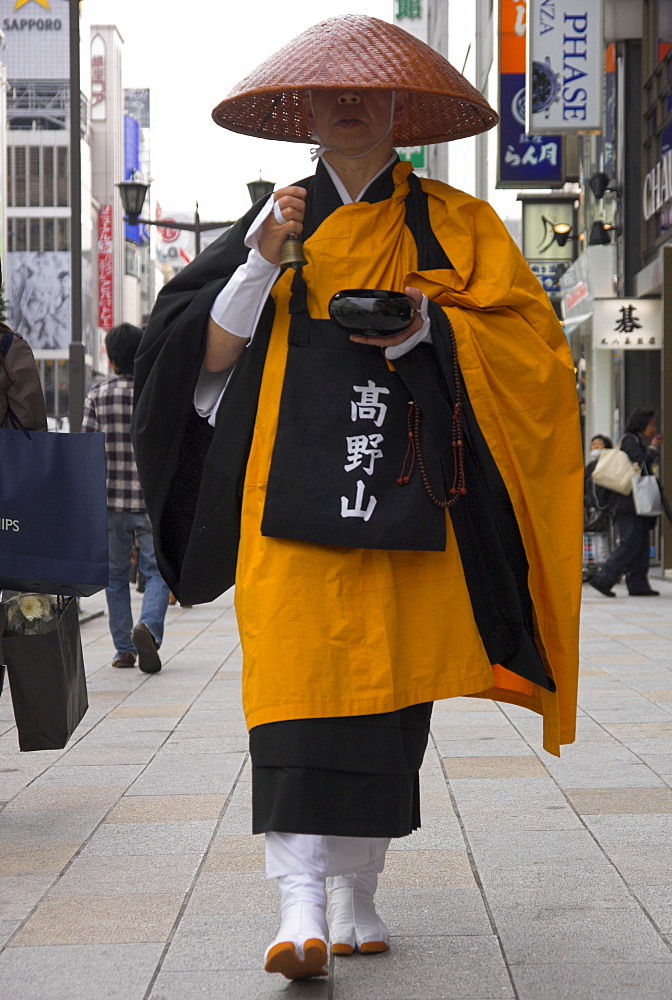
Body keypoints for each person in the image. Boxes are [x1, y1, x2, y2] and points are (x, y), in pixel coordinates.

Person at [132, 15, 583, 981]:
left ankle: (360, 891)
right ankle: (298, 907)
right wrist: (259, 263)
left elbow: (530, 353)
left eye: (367, 92)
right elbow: (195, 363)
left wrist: (430, 329)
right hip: (282, 500)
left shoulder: (457, 225)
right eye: (328, 93)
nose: (347, 103)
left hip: (405, 497)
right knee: (294, 694)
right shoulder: (272, 222)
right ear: (303, 112)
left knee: (385, 703)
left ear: (397, 111)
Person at [82, 323, 170, 671]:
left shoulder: (98, 395)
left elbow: (87, 452)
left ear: (111, 358)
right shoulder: (154, 395)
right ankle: (148, 625)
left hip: (109, 502)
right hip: (149, 500)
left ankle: (123, 650)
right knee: (158, 571)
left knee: (116, 577)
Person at [590, 409, 663, 598]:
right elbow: (641, 464)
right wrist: (653, 448)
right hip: (628, 503)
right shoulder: (631, 440)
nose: (653, 429)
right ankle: (603, 578)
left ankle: (638, 583)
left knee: (640, 543)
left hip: (637, 503)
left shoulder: (637, 440)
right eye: (651, 425)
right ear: (642, 424)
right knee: (630, 542)